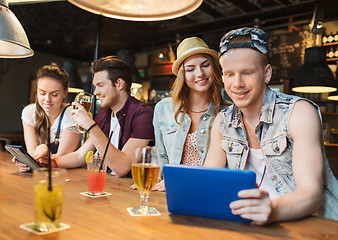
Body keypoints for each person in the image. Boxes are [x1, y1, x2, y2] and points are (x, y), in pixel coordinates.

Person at [204, 27, 338, 225]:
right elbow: (208, 182)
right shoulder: (222, 121)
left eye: (247, 73)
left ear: (267, 73)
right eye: (229, 74)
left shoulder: (300, 113)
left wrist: (272, 209)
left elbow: (312, 195)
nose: (237, 83)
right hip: (251, 226)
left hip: (312, 227)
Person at [38, 56, 154, 177]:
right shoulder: (105, 112)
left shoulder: (142, 114)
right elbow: (80, 155)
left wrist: (90, 125)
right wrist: (49, 163)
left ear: (119, 84)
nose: (95, 92)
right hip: (106, 184)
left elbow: (122, 168)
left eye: (100, 85)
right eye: (95, 86)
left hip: (131, 190)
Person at [152, 37, 228, 191]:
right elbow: (160, 156)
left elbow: (229, 165)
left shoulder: (228, 112)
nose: (199, 73)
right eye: (190, 69)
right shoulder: (163, 108)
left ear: (214, 69)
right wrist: (153, 178)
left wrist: (181, 182)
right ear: (182, 75)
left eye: (205, 65)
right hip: (169, 190)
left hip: (209, 190)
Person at [13, 64, 82, 172]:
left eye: (54, 94)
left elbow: (60, 158)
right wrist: (26, 162)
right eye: (42, 93)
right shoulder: (29, 112)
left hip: (67, 175)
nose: (47, 100)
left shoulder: (71, 114)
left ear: (65, 93)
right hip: (43, 174)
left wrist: (43, 149)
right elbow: (33, 155)